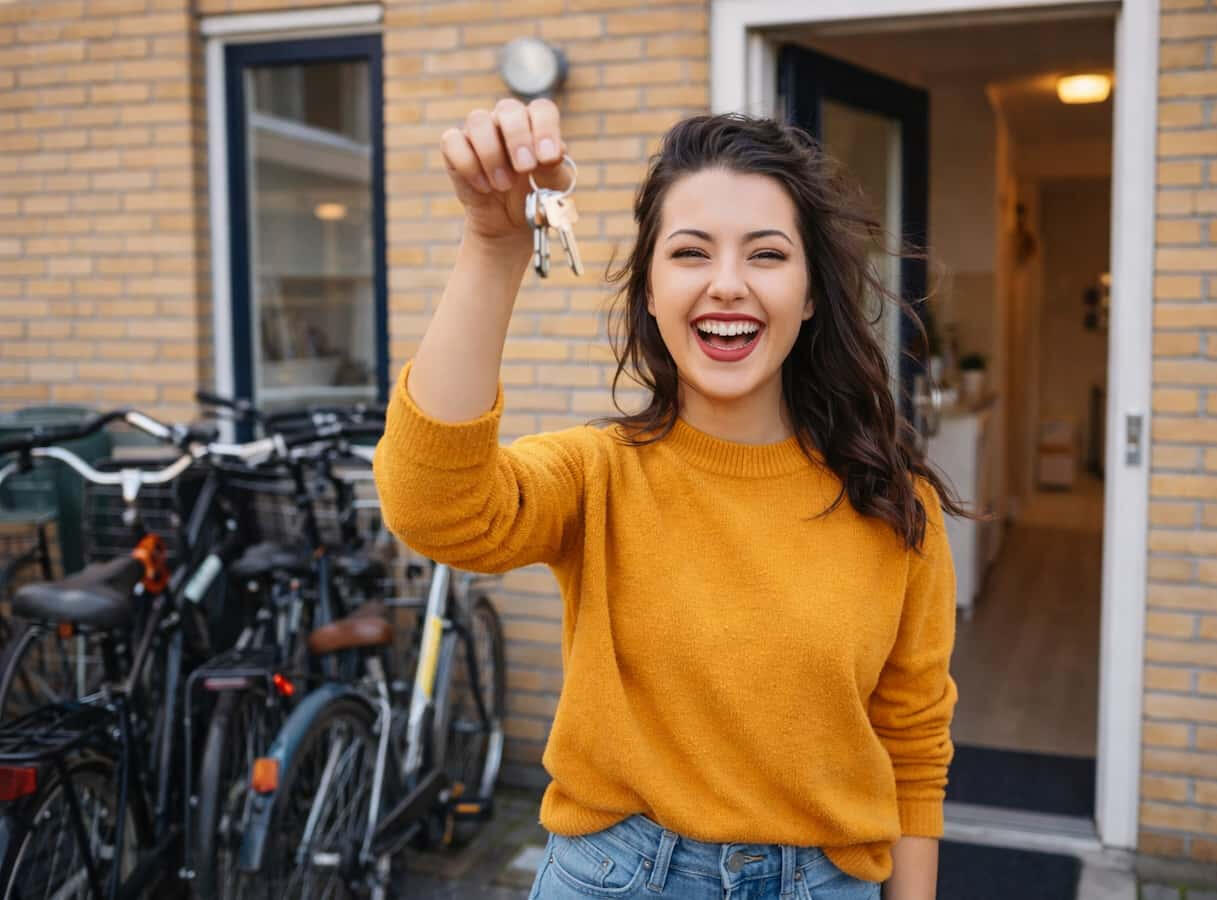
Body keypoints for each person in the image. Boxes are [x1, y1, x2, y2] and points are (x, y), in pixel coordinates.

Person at [373, 97, 966, 900]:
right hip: (618, 877)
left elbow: (912, 742)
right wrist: (494, 242)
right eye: (690, 253)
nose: (727, 284)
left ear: (812, 292)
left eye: (765, 255)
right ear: (650, 292)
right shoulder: (597, 475)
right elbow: (432, 506)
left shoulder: (895, 507)